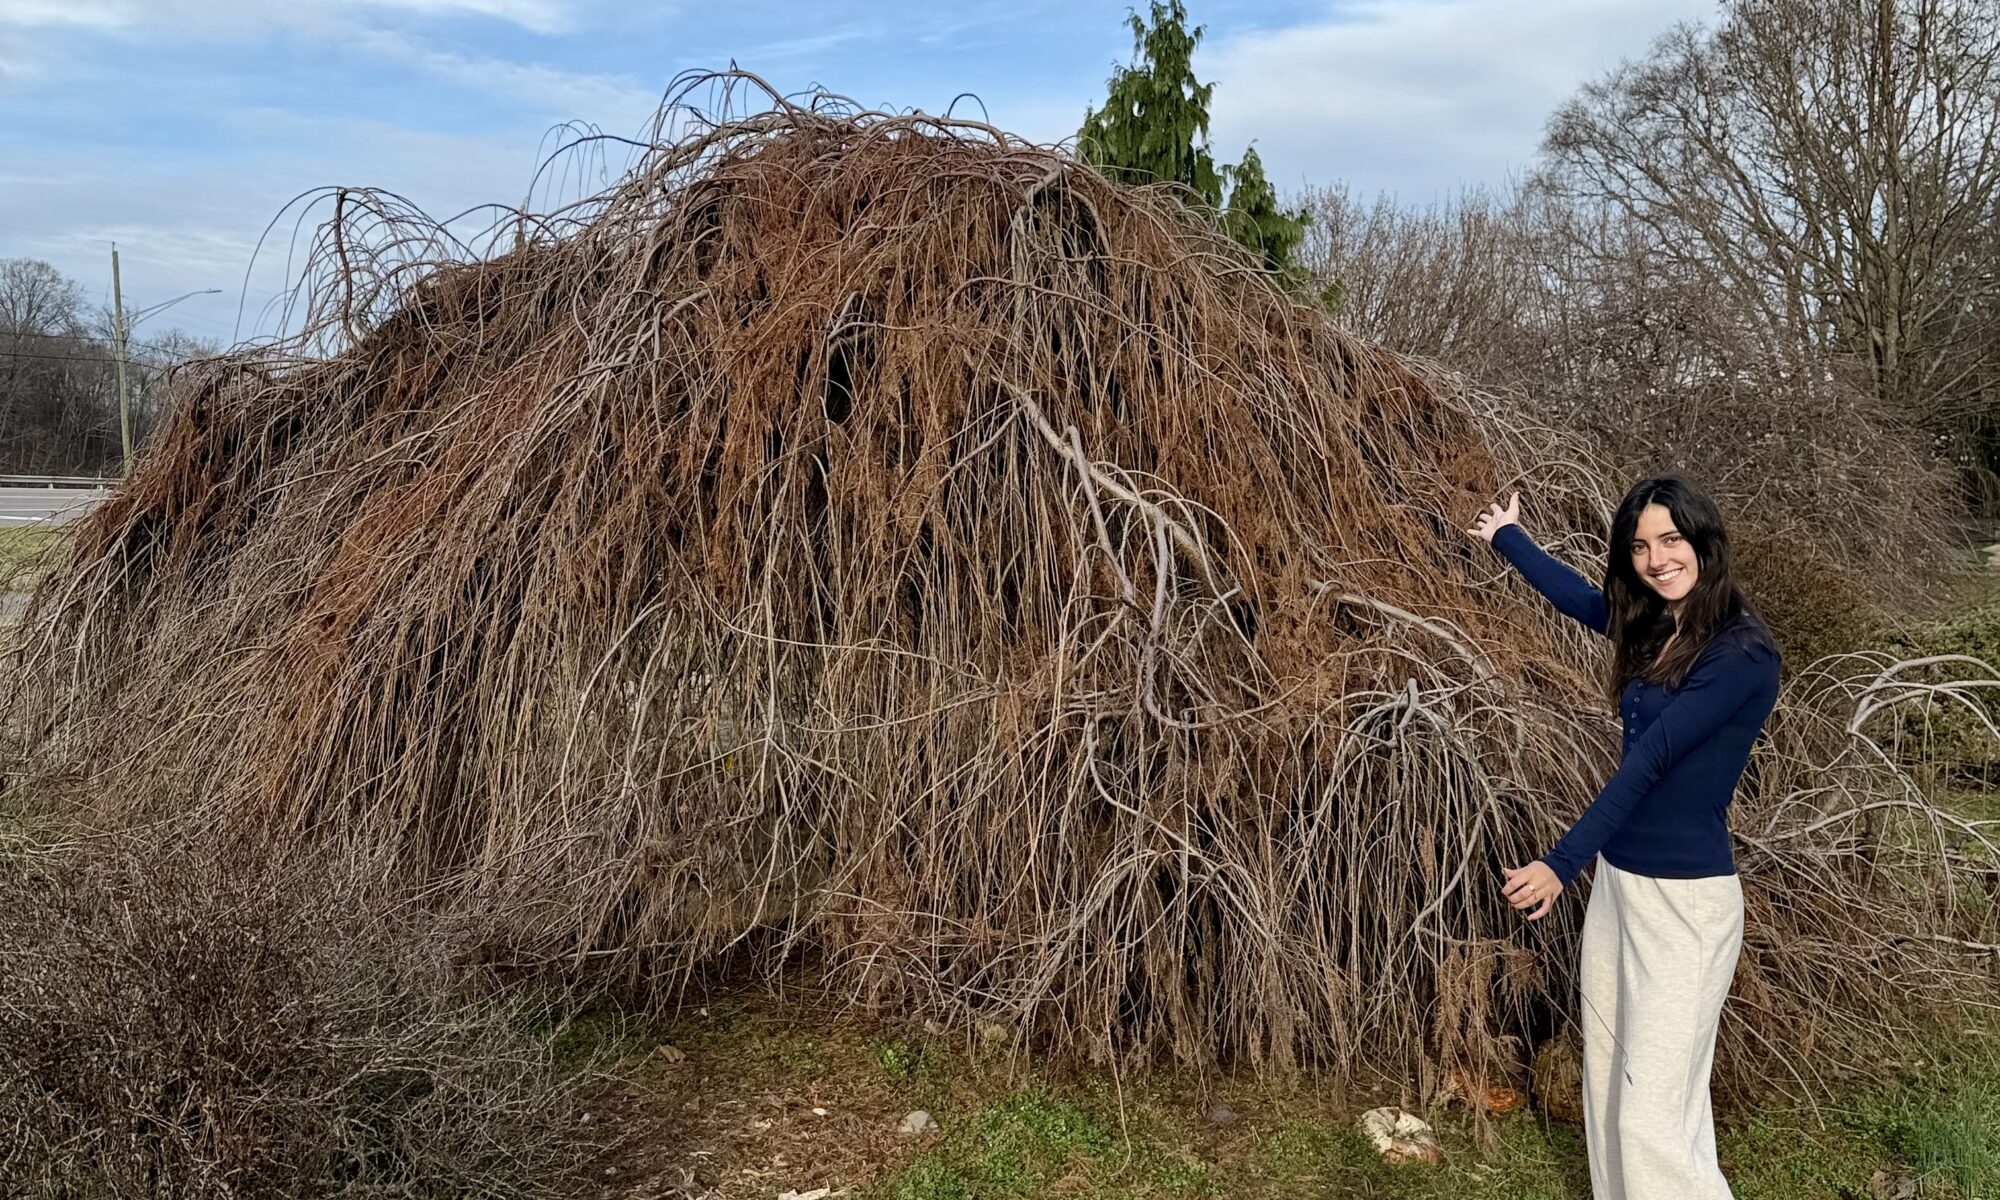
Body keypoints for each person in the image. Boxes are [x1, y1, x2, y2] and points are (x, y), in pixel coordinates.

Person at [1464, 473, 1781, 1200]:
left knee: (1651, 1112)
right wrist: (1509, 538)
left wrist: (1558, 863)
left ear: (1704, 541)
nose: (1656, 558)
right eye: (1640, 545)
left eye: (1672, 540)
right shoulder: (1663, 625)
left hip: (1687, 909)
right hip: (1622, 886)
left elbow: (1651, 763)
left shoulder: (1741, 655)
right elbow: (1584, 602)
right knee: (1610, 1084)